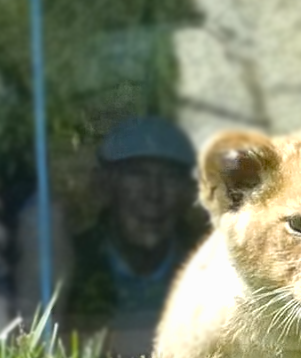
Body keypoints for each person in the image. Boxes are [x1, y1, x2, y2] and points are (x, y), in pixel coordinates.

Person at [13, 115, 204, 345]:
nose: (154, 193)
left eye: (170, 177)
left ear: (188, 192)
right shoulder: (70, 264)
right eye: (137, 174)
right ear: (104, 185)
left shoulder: (206, 268)